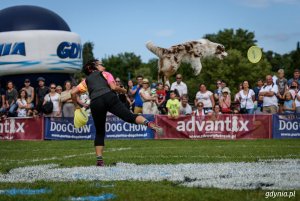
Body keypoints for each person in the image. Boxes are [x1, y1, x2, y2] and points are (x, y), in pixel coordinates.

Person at [71, 59, 163, 166]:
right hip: (108, 97)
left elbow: (73, 93)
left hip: (95, 101)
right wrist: (124, 91)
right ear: (95, 67)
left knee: (100, 132)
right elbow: (113, 87)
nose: (103, 66)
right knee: (130, 117)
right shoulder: (105, 74)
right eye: (101, 65)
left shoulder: (85, 81)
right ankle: (149, 123)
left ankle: (100, 160)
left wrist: (77, 106)